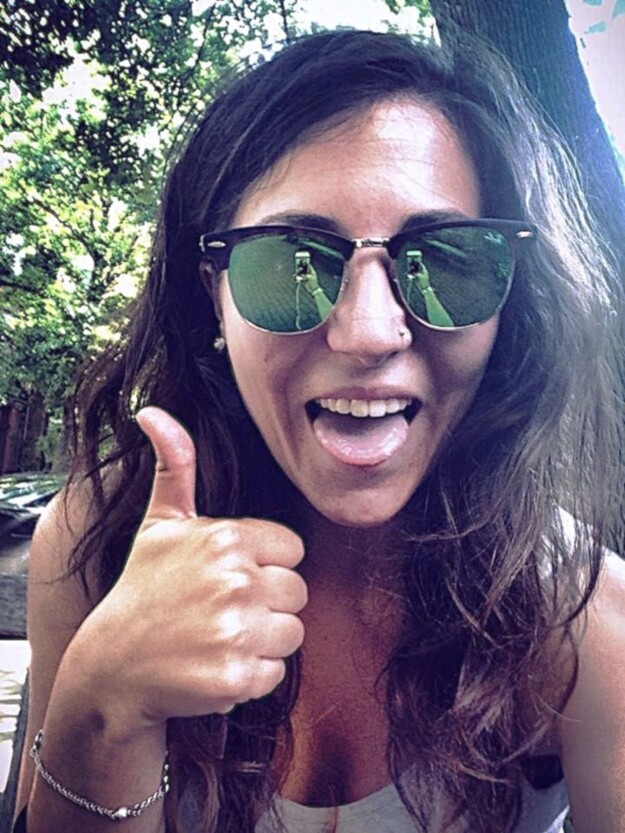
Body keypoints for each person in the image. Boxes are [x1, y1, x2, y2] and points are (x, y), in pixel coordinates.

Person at [13, 28, 625, 833]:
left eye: (444, 260)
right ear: (215, 298)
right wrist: (104, 705)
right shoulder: (99, 540)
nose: (368, 333)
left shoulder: (579, 614)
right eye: (290, 262)